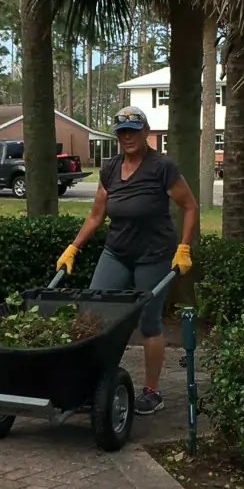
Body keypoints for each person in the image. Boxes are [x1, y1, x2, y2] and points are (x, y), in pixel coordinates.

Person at [56, 107, 197, 415]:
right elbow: (96, 215)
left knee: (149, 322)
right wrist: (73, 247)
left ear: (146, 132)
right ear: (117, 136)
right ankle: (94, 384)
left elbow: (189, 206)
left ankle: (152, 391)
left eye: (134, 130)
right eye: (122, 132)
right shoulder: (110, 169)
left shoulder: (162, 167)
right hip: (116, 252)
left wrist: (183, 247)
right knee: (93, 315)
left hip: (154, 255)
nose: (128, 136)